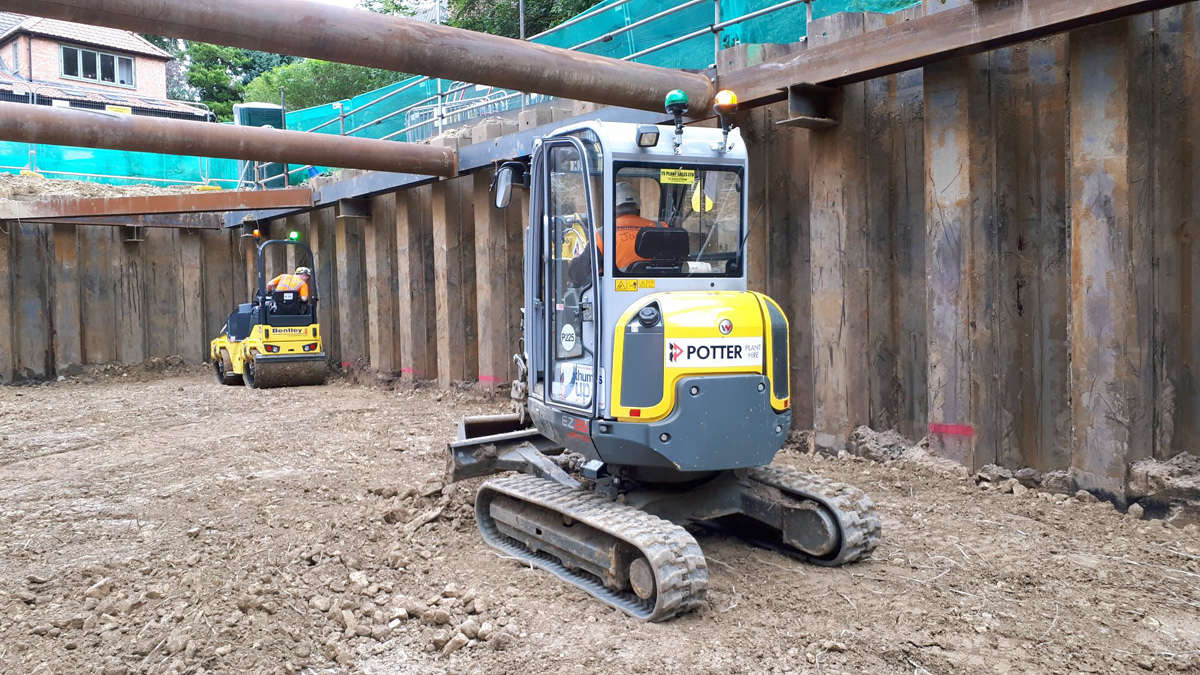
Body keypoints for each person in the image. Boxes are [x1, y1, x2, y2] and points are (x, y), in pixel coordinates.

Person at [611, 181, 664, 271]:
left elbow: (585, 268)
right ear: (637, 206)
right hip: (659, 283)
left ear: (613, 207)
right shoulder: (661, 227)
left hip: (617, 284)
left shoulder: (603, 234)